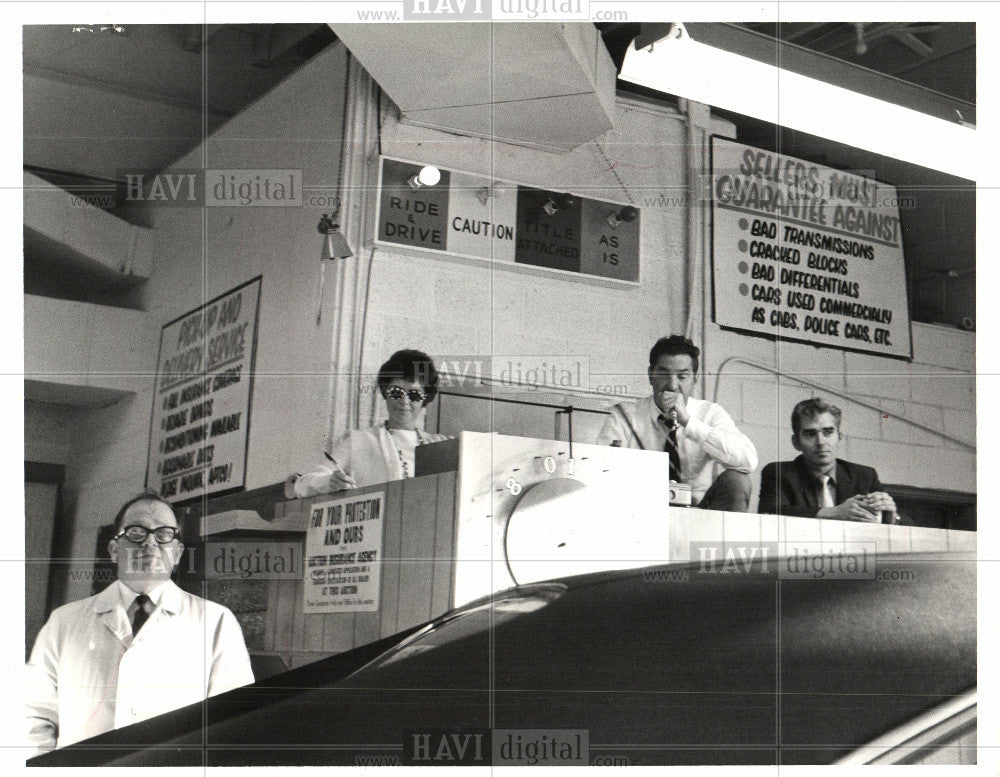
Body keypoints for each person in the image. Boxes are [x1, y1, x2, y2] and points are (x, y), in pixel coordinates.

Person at [25, 493, 254, 755]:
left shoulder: (217, 622)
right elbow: (30, 716)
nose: (150, 543)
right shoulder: (63, 622)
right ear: (114, 550)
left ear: (177, 553)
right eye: (136, 532)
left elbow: (232, 722)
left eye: (164, 534)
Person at [597, 335, 757, 511]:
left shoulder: (709, 412)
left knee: (737, 481)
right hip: (641, 510)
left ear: (694, 379)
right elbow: (600, 473)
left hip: (698, 513)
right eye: (664, 374)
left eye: (682, 376)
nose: (672, 385)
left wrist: (688, 423)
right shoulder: (624, 415)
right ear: (651, 376)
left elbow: (748, 461)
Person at [291, 349, 449, 497]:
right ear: (385, 393)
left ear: (425, 400)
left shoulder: (439, 444)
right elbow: (304, 483)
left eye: (414, 395)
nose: (404, 401)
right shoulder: (358, 440)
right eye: (396, 392)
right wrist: (329, 482)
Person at [758, 397, 904, 523]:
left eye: (828, 432)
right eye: (810, 434)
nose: (821, 442)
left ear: (839, 437)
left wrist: (892, 518)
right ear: (796, 442)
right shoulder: (779, 472)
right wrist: (835, 512)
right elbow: (770, 512)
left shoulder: (865, 475)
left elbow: (909, 524)